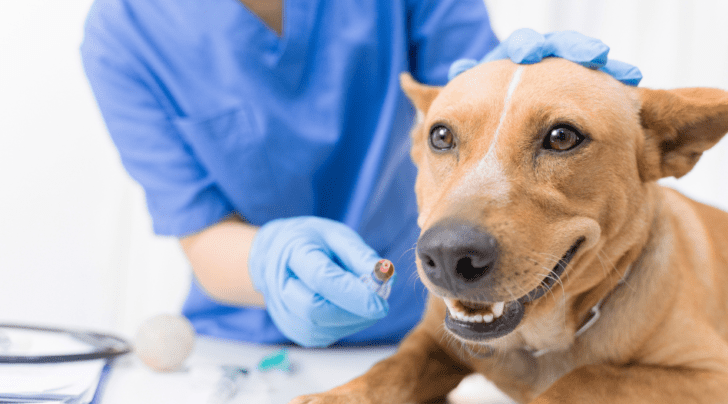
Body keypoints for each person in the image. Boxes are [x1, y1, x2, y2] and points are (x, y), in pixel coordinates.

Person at [81, 1, 639, 348]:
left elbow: (474, 106)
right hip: (243, 338)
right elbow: (202, 236)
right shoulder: (124, 32)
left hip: (426, 324)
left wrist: (546, 96)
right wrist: (272, 262)